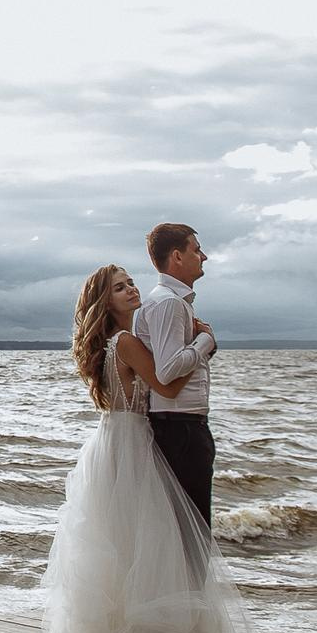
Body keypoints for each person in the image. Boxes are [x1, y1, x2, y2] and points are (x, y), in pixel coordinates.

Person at [40, 263, 263, 633]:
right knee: (149, 547)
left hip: (112, 442)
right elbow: (167, 383)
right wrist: (204, 342)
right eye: (119, 288)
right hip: (135, 443)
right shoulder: (123, 342)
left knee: (125, 550)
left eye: (131, 283)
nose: (131, 291)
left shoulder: (114, 342)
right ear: (105, 303)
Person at [134, 223, 217, 525]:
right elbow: (167, 370)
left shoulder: (169, 301)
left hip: (180, 426)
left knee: (185, 531)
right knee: (193, 534)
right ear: (177, 256)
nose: (204, 256)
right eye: (196, 249)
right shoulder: (169, 303)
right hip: (181, 428)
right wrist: (206, 341)